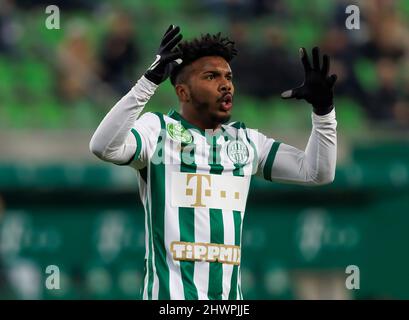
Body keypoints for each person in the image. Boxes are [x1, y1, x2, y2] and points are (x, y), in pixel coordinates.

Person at [89, 25, 337, 300]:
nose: (225, 84)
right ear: (183, 92)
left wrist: (324, 112)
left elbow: (317, 173)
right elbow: (103, 147)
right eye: (211, 76)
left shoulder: (246, 141)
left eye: (228, 77)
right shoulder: (157, 131)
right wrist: (147, 83)